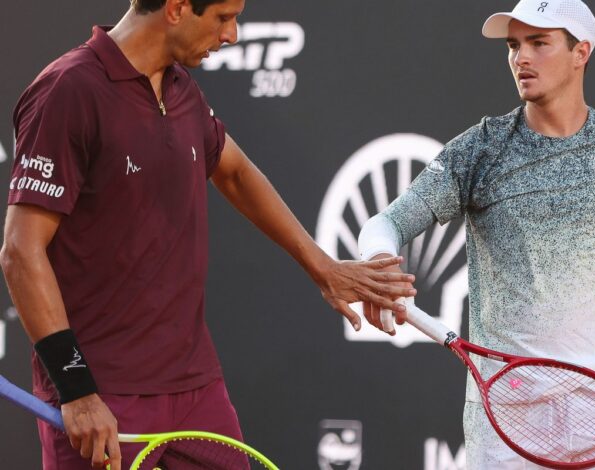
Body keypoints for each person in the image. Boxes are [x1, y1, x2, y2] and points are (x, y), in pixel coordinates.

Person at [0, 0, 417, 468]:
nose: (232, 35)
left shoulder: (180, 89)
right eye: (223, 17)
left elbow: (234, 172)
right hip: (101, 394)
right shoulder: (68, 90)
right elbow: (20, 250)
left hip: (194, 388)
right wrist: (76, 391)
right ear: (177, 8)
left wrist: (324, 268)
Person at [357, 0, 595, 468]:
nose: (520, 58)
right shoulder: (478, 151)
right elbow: (385, 224)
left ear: (580, 52)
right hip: (509, 409)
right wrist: (377, 263)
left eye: (539, 43)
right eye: (513, 45)